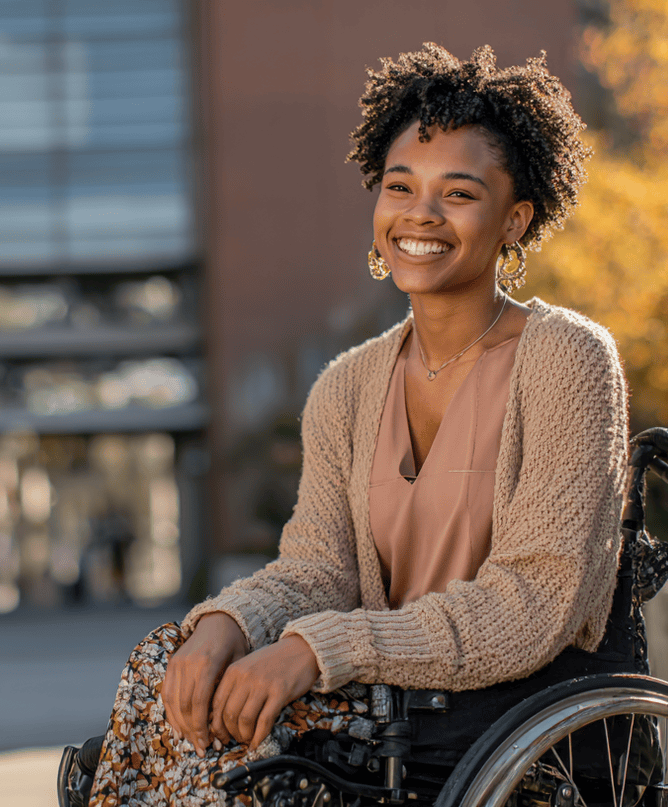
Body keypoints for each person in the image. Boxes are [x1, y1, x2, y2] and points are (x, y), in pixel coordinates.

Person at [65, 42, 630, 807]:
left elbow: (533, 603)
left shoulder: (568, 359)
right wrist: (232, 621)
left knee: (241, 762)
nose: (419, 214)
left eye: (458, 194)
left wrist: (315, 649)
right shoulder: (348, 385)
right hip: (377, 696)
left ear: (514, 219)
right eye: (400, 186)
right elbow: (319, 572)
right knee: (166, 662)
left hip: (498, 709)